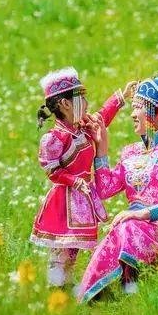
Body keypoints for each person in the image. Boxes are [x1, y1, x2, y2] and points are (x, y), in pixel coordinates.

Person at [77, 60, 158, 302]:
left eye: (138, 108)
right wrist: (101, 151)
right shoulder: (131, 152)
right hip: (131, 228)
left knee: (126, 227)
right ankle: (108, 297)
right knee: (124, 228)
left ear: (155, 111)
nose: (132, 114)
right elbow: (106, 189)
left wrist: (139, 215)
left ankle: (118, 294)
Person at [29, 67, 136, 286]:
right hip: (65, 200)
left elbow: (102, 117)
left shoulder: (83, 127)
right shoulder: (54, 138)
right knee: (60, 250)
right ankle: (56, 288)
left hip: (83, 197)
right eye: (82, 98)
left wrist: (121, 97)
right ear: (65, 104)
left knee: (73, 250)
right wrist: (75, 181)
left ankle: (65, 287)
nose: (86, 103)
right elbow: (52, 171)